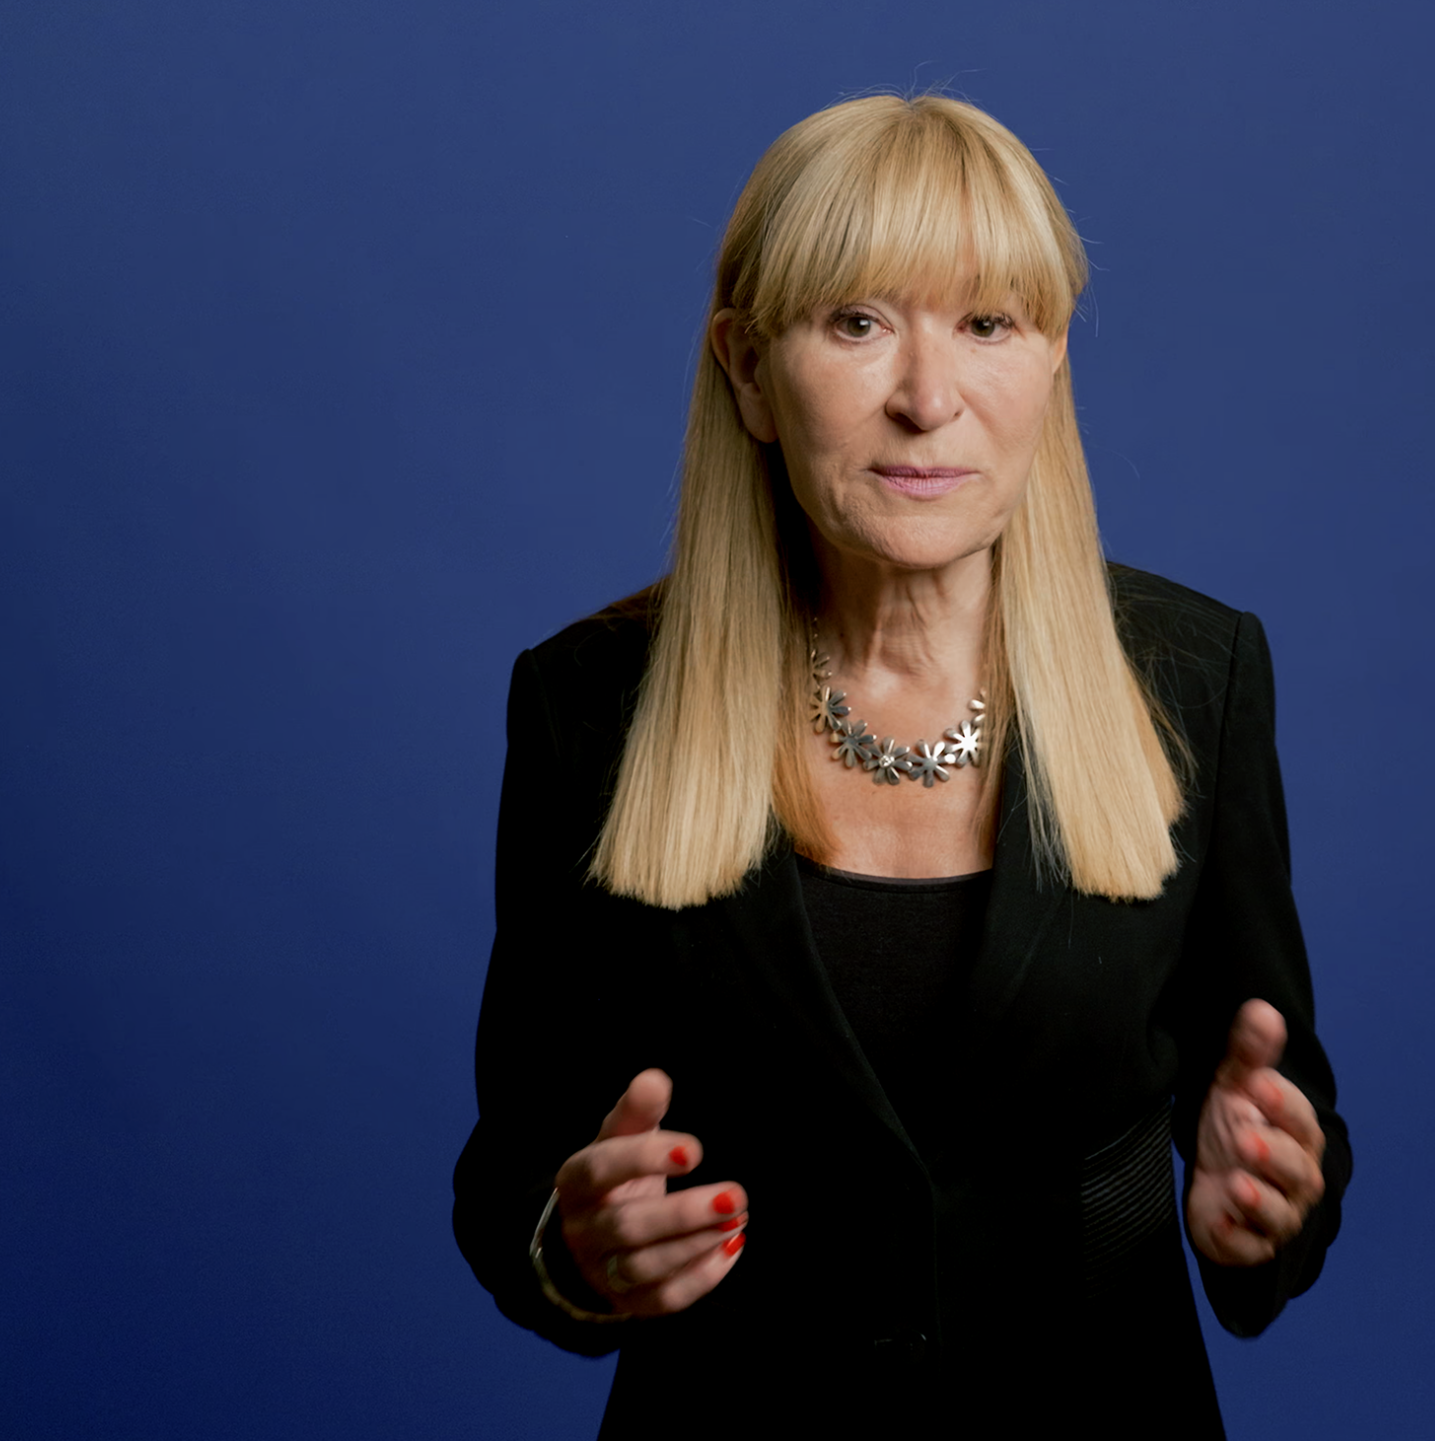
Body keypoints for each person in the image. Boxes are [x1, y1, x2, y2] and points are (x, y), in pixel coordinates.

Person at [452, 93, 1350, 1437]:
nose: (930, 400)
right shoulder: (589, 706)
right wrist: (572, 1249)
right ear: (747, 370)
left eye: (989, 325)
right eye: (857, 323)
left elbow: (1283, 1120)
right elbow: (514, 1178)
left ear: (1051, 361)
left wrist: (1268, 1205)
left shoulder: (1197, 679)